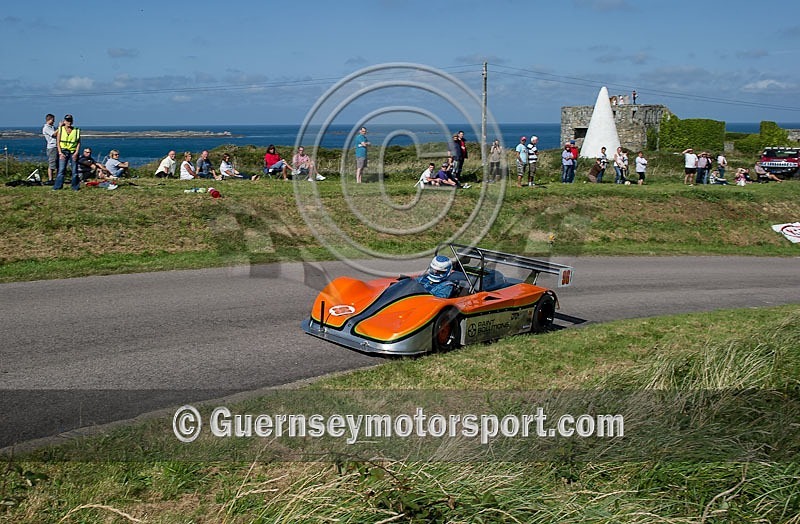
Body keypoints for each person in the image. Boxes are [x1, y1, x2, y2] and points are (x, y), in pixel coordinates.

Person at [53, 114, 81, 191]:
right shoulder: (61, 129)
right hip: (63, 151)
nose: (69, 122)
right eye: (67, 120)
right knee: (61, 170)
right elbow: (57, 141)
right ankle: (57, 187)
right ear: (64, 121)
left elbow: (78, 142)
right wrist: (60, 153)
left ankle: (75, 187)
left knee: (75, 171)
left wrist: (76, 153)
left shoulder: (76, 130)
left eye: (70, 120)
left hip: (73, 152)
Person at [42, 113, 58, 184]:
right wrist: (60, 128)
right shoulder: (46, 128)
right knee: (52, 164)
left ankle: (57, 178)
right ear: (50, 119)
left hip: (56, 146)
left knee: (57, 164)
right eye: (53, 120)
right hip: (52, 147)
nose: (54, 121)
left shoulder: (52, 127)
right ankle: (50, 179)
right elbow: (54, 134)